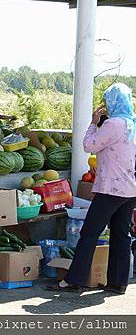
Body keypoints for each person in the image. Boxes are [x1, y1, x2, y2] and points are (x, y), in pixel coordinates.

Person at [47, 83, 136, 294]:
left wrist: (94, 124)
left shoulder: (113, 124)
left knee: (89, 234)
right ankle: (117, 282)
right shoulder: (132, 124)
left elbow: (89, 146)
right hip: (130, 189)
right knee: (121, 235)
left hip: (110, 189)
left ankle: (74, 280)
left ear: (113, 102)